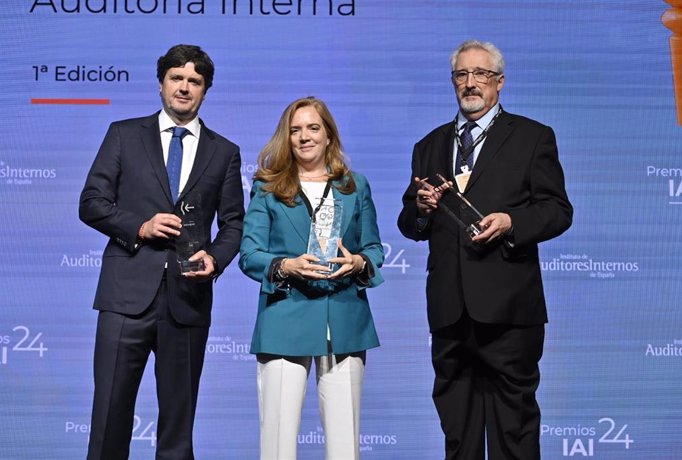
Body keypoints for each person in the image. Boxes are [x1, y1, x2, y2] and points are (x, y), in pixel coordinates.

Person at [398, 40, 573, 459]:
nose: (470, 83)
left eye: (480, 74)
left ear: (499, 83)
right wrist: (421, 210)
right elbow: (410, 224)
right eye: (462, 75)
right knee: (458, 434)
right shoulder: (429, 145)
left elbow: (557, 211)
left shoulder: (532, 137)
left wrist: (512, 221)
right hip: (449, 310)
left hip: (510, 310)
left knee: (514, 432)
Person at [79, 44, 244, 460]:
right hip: (124, 297)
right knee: (109, 419)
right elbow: (92, 203)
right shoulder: (123, 133)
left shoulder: (224, 151)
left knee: (177, 427)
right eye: (177, 78)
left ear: (205, 90)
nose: (184, 88)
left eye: (194, 81)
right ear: (161, 84)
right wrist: (140, 226)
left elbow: (233, 223)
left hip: (187, 299)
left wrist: (217, 258)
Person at [240, 96, 384, 460]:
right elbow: (250, 254)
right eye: (295, 130)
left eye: (313, 128)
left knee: (345, 446)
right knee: (277, 445)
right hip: (285, 317)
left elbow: (374, 248)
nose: (304, 136)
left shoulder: (355, 186)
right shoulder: (268, 187)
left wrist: (359, 263)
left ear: (328, 135)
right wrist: (285, 266)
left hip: (345, 320)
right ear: (286, 138)